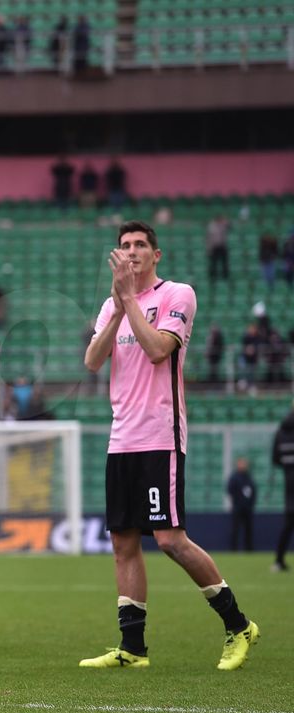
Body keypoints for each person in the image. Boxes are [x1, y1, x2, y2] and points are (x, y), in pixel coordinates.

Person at [82, 221, 259, 670]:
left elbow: (159, 350)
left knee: (169, 539)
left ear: (156, 255)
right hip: (121, 437)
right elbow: (92, 360)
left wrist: (128, 301)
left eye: (141, 245)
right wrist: (120, 303)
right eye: (125, 246)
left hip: (161, 434)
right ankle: (132, 648)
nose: (133, 252)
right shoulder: (111, 305)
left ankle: (239, 625)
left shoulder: (177, 294)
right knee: (123, 542)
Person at [272, 406, 294, 572]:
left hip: (289, 481)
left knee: (288, 523)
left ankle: (279, 560)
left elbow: (275, 459)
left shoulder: (281, 432)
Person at [226, 458, 256, 552]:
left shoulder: (249, 477)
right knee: (235, 529)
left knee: (248, 530)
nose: (242, 465)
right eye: (241, 463)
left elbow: (254, 491)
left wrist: (251, 503)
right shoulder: (234, 477)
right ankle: (233, 549)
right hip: (237, 507)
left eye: (244, 463)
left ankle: (249, 549)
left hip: (248, 508)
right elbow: (230, 490)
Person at [206, 214, 230, 282]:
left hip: (222, 246)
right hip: (215, 247)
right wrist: (209, 248)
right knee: (214, 262)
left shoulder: (223, 225)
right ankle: (213, 276)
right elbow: (209, 238)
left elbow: (230, 226)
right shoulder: (212, 226)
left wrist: (225, 222)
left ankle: (225, 276)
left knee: (224, 262)